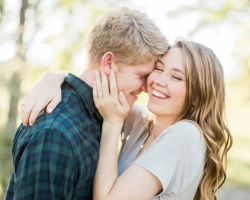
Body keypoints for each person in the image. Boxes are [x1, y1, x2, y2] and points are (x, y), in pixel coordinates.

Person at [18, 39, 232, 200]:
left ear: (197, 95)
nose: (158, 80)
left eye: (176, 77)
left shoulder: (186, 135)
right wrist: (55, 77)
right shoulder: (145, 123)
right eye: (158, 68)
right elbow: (99, 91)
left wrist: (112, 124)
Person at [5, 7, 169, 200]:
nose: (146, 87)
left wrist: (58, 76)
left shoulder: (105, 115)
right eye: (141, 76)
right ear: (108, 63)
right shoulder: (55, 134)